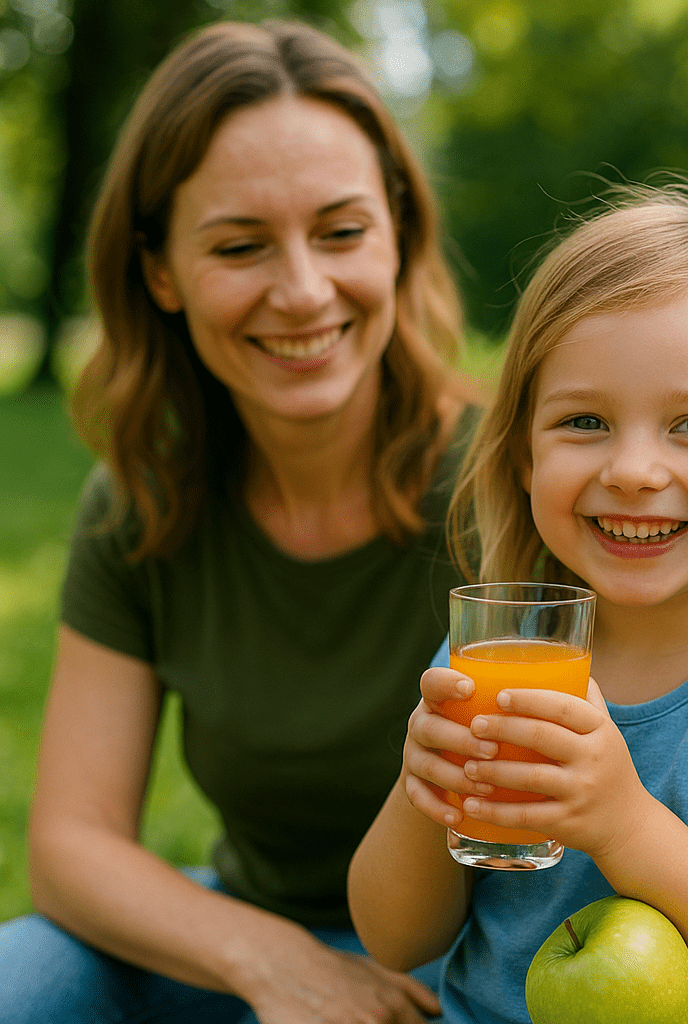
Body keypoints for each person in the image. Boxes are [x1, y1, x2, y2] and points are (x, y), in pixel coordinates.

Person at [0, 18, 478, 1024]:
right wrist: (270, 960)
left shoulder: (509, 483)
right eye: (239, 244)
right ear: (161, 272)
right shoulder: (142, 504)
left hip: (479, 962)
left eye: (341, 232)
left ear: (397, 236)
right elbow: (72, 844)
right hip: (243, 947)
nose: (303, 291)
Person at [347, 180, 688, 1024]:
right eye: (583, 423)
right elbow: (397, 940)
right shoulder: (507, 656)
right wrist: (420, 791)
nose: (633, 470)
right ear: (524, 459)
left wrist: (622, 826)